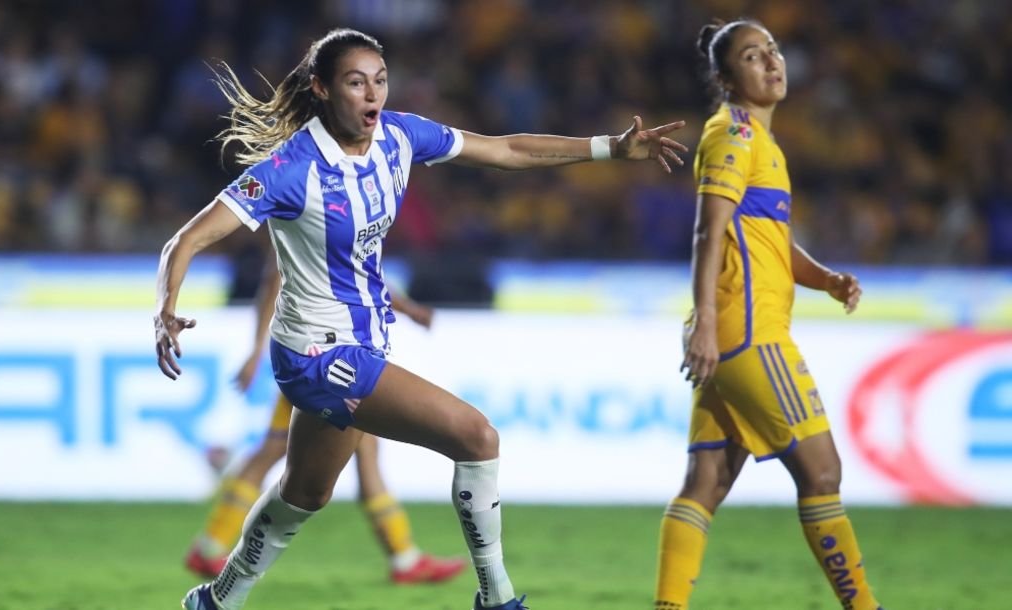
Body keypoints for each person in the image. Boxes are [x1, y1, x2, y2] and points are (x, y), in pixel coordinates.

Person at [154, 28, 687, 610]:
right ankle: (497, 597)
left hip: (363, 344)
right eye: (355, 83)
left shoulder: (400, 136)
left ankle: (215, 600)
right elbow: (188, 238)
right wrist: (165, 311)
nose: (371, 94)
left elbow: (505, 150)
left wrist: (610, 147)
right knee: (476, 437)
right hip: (317, 355)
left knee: (303, 495)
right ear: (322, 89)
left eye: (379, 81)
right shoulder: (290, 168)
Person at [652, 19, 883, 610]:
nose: (772, 62)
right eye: (753, 57)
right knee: (822, 474)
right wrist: (705, 320)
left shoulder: (762, 140)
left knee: (706, 484)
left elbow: (769, 240)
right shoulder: (733, 134)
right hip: (748, 335)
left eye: (774, 51)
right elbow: (710, 229)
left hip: (727, 335)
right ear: (727, 78)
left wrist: (824, 278)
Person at [185, 245, 466, 584]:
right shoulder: (304, 220)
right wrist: (257, 350)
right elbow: (273, 283)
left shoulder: (336, 224)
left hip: (349, 362)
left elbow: (363, 277)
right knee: (274, 452)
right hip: (316, 364)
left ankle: (404, 557)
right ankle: (211, 545)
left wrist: (406, 308)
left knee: (365, 453)